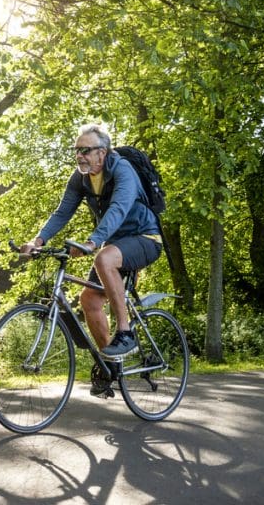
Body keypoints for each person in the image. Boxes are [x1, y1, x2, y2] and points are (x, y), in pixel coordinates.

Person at [20, 124, 163, 396]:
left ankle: (125, 333)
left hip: (145, 238)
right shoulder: (81, 178)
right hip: (115, 243)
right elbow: (62, 212)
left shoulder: (122, 170)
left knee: (103, 257)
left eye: (85, 150)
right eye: (77, 151)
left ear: (103, 152)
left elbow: (119, 208)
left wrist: (93, 241)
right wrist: (37, 242)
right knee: (89, 300)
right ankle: (111, 365)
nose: (80, 156)